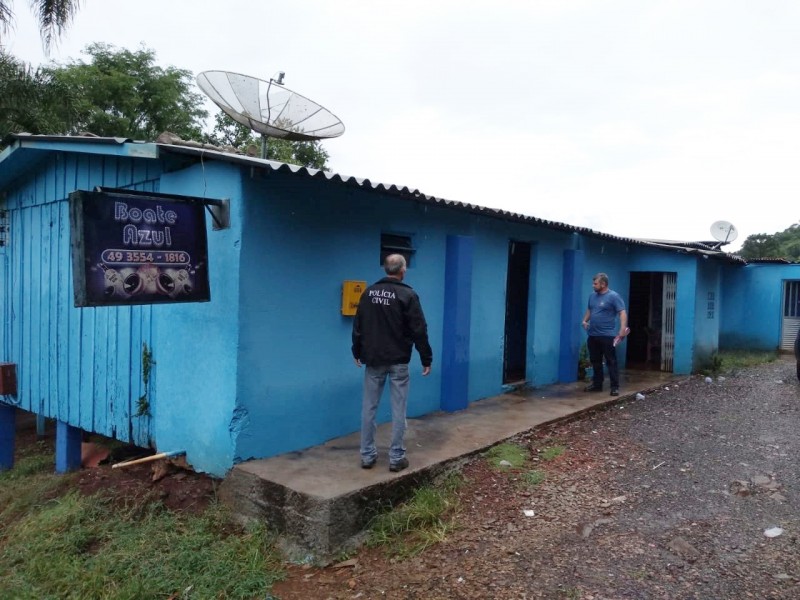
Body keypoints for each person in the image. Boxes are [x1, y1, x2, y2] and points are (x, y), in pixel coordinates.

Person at [352, 254, 433, 472]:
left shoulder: (368, 293)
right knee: (399, 410)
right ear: (402, 270)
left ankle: (367, 456)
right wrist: (426, 358)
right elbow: (419, 329)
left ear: (386, 269)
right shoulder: (407, 294)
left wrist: (356, 351)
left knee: (369, 408)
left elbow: (358, 325)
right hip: (398, 361)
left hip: (373, 360)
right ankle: (396, 458)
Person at [582, 272, 628, 396]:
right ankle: (597, 384)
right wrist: (585, 320)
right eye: (593, 283)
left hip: (607, 335)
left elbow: (622, 313)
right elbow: (590, 309)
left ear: (603, 284)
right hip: (593, 335)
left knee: (611, 361)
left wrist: (622, 329)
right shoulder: (592, 296)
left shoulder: (613, 296)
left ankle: (614, 387)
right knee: (595, 361)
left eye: (595, 283)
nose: (593, 285)